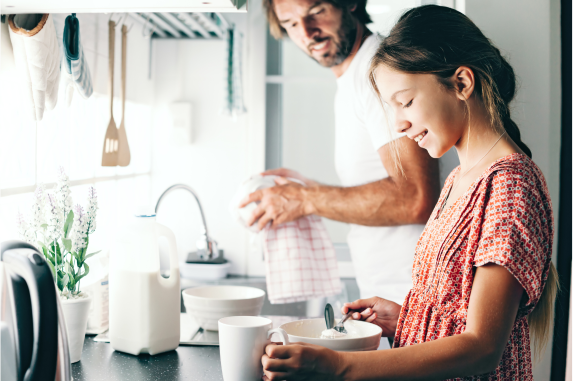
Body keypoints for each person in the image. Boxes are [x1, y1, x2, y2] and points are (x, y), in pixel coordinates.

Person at [261, 5, 559, 380]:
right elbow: (459, 321)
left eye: (405, 102)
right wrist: (406, 318)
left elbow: (482, 347)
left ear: (462, 84)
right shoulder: (460, 181)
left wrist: (337, 365)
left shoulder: (511, 186)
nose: (399, 124)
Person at [240, 0, 440, 305]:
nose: (307, 33)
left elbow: (416, 198)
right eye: (291, 24)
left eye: (316, 12)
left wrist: (304, 199)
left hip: (416, 298)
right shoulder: (355, 76)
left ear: (350, 3)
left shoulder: (378, 70)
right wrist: (312, 190)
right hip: (393, 300)